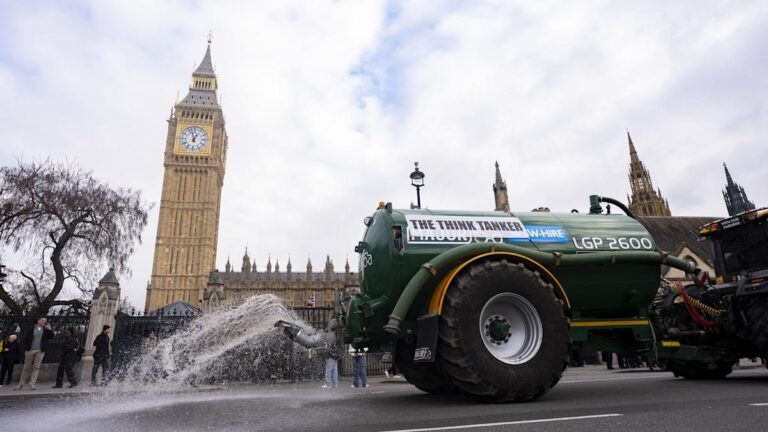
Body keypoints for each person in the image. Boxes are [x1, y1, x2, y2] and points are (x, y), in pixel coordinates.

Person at [277, 313, 340, 389]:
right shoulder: (333, 334)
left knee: (329, 369)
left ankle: (328, 384)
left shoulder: (327, 335)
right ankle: (334, 384)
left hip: (329, 353)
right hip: (333, 354)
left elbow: (311, 342)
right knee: (334, 369)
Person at [14, 316, 54, 390]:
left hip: (40, 350)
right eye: (42, 320)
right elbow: (25, 339)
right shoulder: (31, 329)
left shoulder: (46, 330)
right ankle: (21, 384)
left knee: (36, 367)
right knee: (26, 367)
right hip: (30, 350)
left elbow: (52, 337)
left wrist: (50, 330)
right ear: (38, 320)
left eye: (45, 321)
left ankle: (32, 384)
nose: (44, 322)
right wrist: (26, 349)